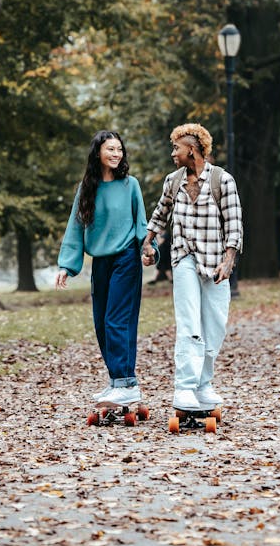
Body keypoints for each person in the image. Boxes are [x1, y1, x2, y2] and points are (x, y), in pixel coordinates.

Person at [142, 122, 243, 412]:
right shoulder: (173, 181)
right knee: (188, 322)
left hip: (215, 263)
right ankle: (184, 387)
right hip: (184, 258)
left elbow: (234, 225)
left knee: (215, 323)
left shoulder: (222, 180)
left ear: (193, 149)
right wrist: (147, 243)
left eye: (176, 148)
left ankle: (203, 383)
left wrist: (229, 260)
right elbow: (160, 215)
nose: (173, 153)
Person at [56, 130, 148, 407]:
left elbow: (141, 223)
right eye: (110, 149)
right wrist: (66, 266)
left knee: (117, 320)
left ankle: (125, 383)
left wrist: (148, 249)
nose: (116, 154)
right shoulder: (87, 188)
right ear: (98, 153)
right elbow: (75, 228)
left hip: (126, 258)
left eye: (119, 149)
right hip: (101, 263)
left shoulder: (130, 184)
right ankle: (119, 381)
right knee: (101, 323)